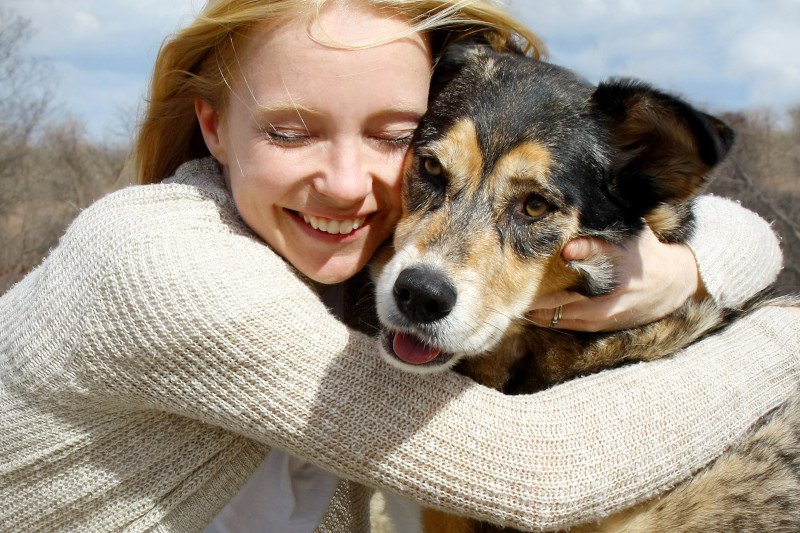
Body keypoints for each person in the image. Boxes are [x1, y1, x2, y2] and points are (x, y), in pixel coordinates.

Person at [0, 1, 797, 532]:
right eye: (289, 131)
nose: (348, 184)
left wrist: (687, 269)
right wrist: (783, 340)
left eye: (390, 137)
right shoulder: (162, 265)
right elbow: (544, 470)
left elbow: (733, 225)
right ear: (212, 126)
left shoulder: (329, 248)